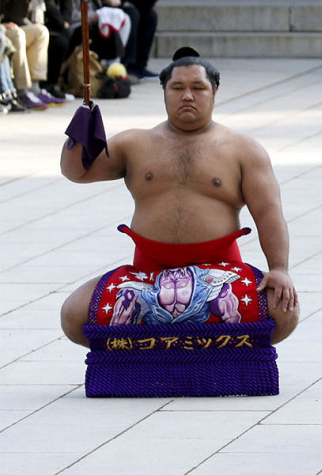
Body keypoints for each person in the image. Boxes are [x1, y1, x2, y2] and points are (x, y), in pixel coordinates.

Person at [58, 49, 299, 346]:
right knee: (74, 314)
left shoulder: (243, 149)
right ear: (164, 92)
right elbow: (77, 172)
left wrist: (278, 269)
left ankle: (194, 351)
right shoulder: (134, 143)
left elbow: (268, 212)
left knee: (283, 310)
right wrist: (82, 125)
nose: (187, 96)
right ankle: (153, 355)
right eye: (177, 88)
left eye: (198, 88)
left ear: (214, 92)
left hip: (220, 276)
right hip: (146, 274)